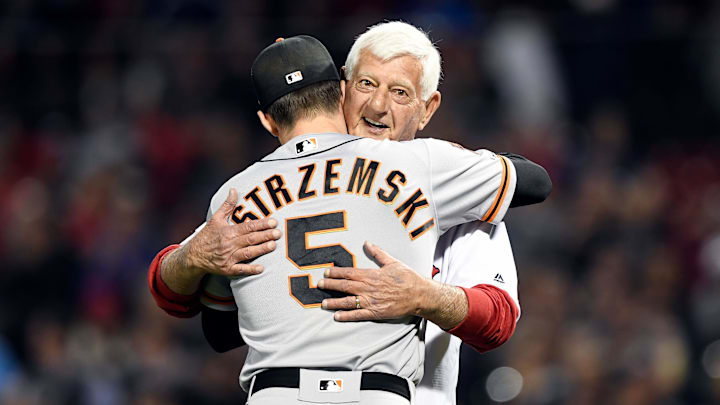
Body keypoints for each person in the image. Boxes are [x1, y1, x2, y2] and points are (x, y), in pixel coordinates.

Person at [150, 34, 530, 405]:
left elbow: (497, 322)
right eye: (367, 83)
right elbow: (215, 320)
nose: (378, 105)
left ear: (427, 108)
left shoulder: (459, 191)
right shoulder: (425, 166)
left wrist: (425, 296)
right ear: (343, 91)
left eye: (399, 92)